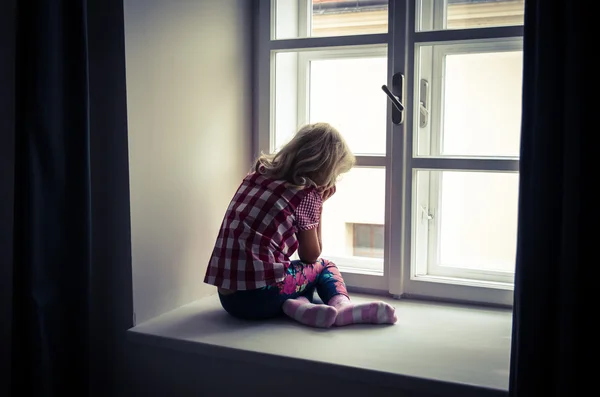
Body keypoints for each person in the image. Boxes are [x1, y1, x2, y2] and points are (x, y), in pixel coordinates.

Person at [204, 122, 397, 328]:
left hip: (229, 299)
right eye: (336, 174)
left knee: (293, 273)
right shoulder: (306, 194)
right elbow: (311, 255)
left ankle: (301, 308)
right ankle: (341, 306)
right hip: (260, 299)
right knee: (323, 267)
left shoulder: (256, 176)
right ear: (326, 170)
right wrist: (319, 206)